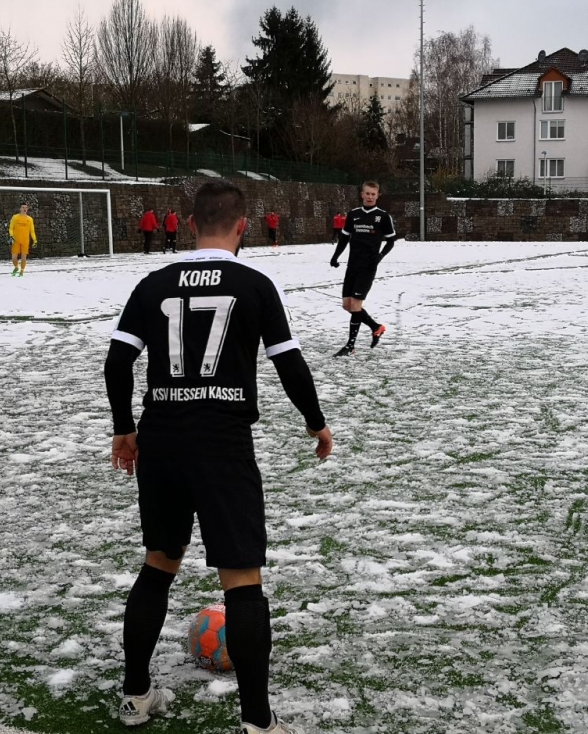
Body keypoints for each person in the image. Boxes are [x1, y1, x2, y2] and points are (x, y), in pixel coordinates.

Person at [105, 180, 332, 734]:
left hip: (162, 442)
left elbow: (116, 363)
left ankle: (135, 696)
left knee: (158, 565)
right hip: (222, 444)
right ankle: (258, 722)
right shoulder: (254, 284)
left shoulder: (153, 283)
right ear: (242, 226)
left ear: (188, 224)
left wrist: (124, 429)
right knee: (242, 579)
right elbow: (288, 363)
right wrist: (316, 421)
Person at [329, 181, 397, 356]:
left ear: (378, 195)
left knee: (356, 305)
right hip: (352, 265)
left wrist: (380, 256)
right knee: (347, 305)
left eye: (373, 194)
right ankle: (376, 327)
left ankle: (350, 346)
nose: (370, 197)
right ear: (362, 194)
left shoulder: (383, 216)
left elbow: (391, 241)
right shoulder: (353, 214)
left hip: (368, 267)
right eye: (367, 193)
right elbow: (344, 238)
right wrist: (335, 256)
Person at [8, 203, 37, 277]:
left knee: (23, 257)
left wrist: (35, 240)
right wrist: (11, 236)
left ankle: (22, 271)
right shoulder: (15, 217)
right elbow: (11, 228)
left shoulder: (30, 219)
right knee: (14, 257)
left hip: (25, 240)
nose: (24, 209)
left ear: (27, 209)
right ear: (20, 209)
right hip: (16, 240)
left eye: (26, 207)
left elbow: (32, 231)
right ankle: (16, 267)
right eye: (23, 207)